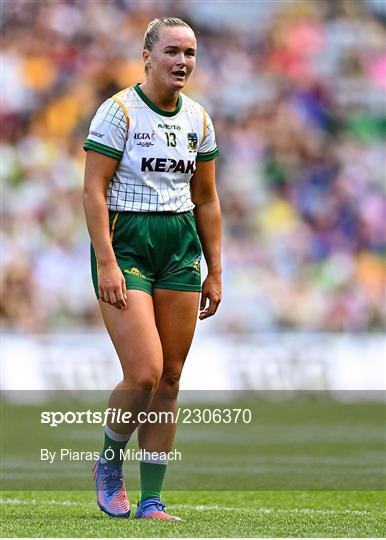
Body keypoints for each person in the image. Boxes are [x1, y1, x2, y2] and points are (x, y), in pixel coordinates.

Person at [83, 17, 222, 521]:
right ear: (147, 56)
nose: (182, 61)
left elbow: (206, 199)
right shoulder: (118, 112)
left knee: (172, 378)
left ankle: (152, 501)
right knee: (144, 372)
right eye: (171, 52)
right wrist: (106, 261)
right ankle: (109, 461)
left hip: (179, 244)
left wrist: (216, 269)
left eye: (189, 52)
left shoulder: (199, 120)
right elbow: (93, 190)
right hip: (129, 243)